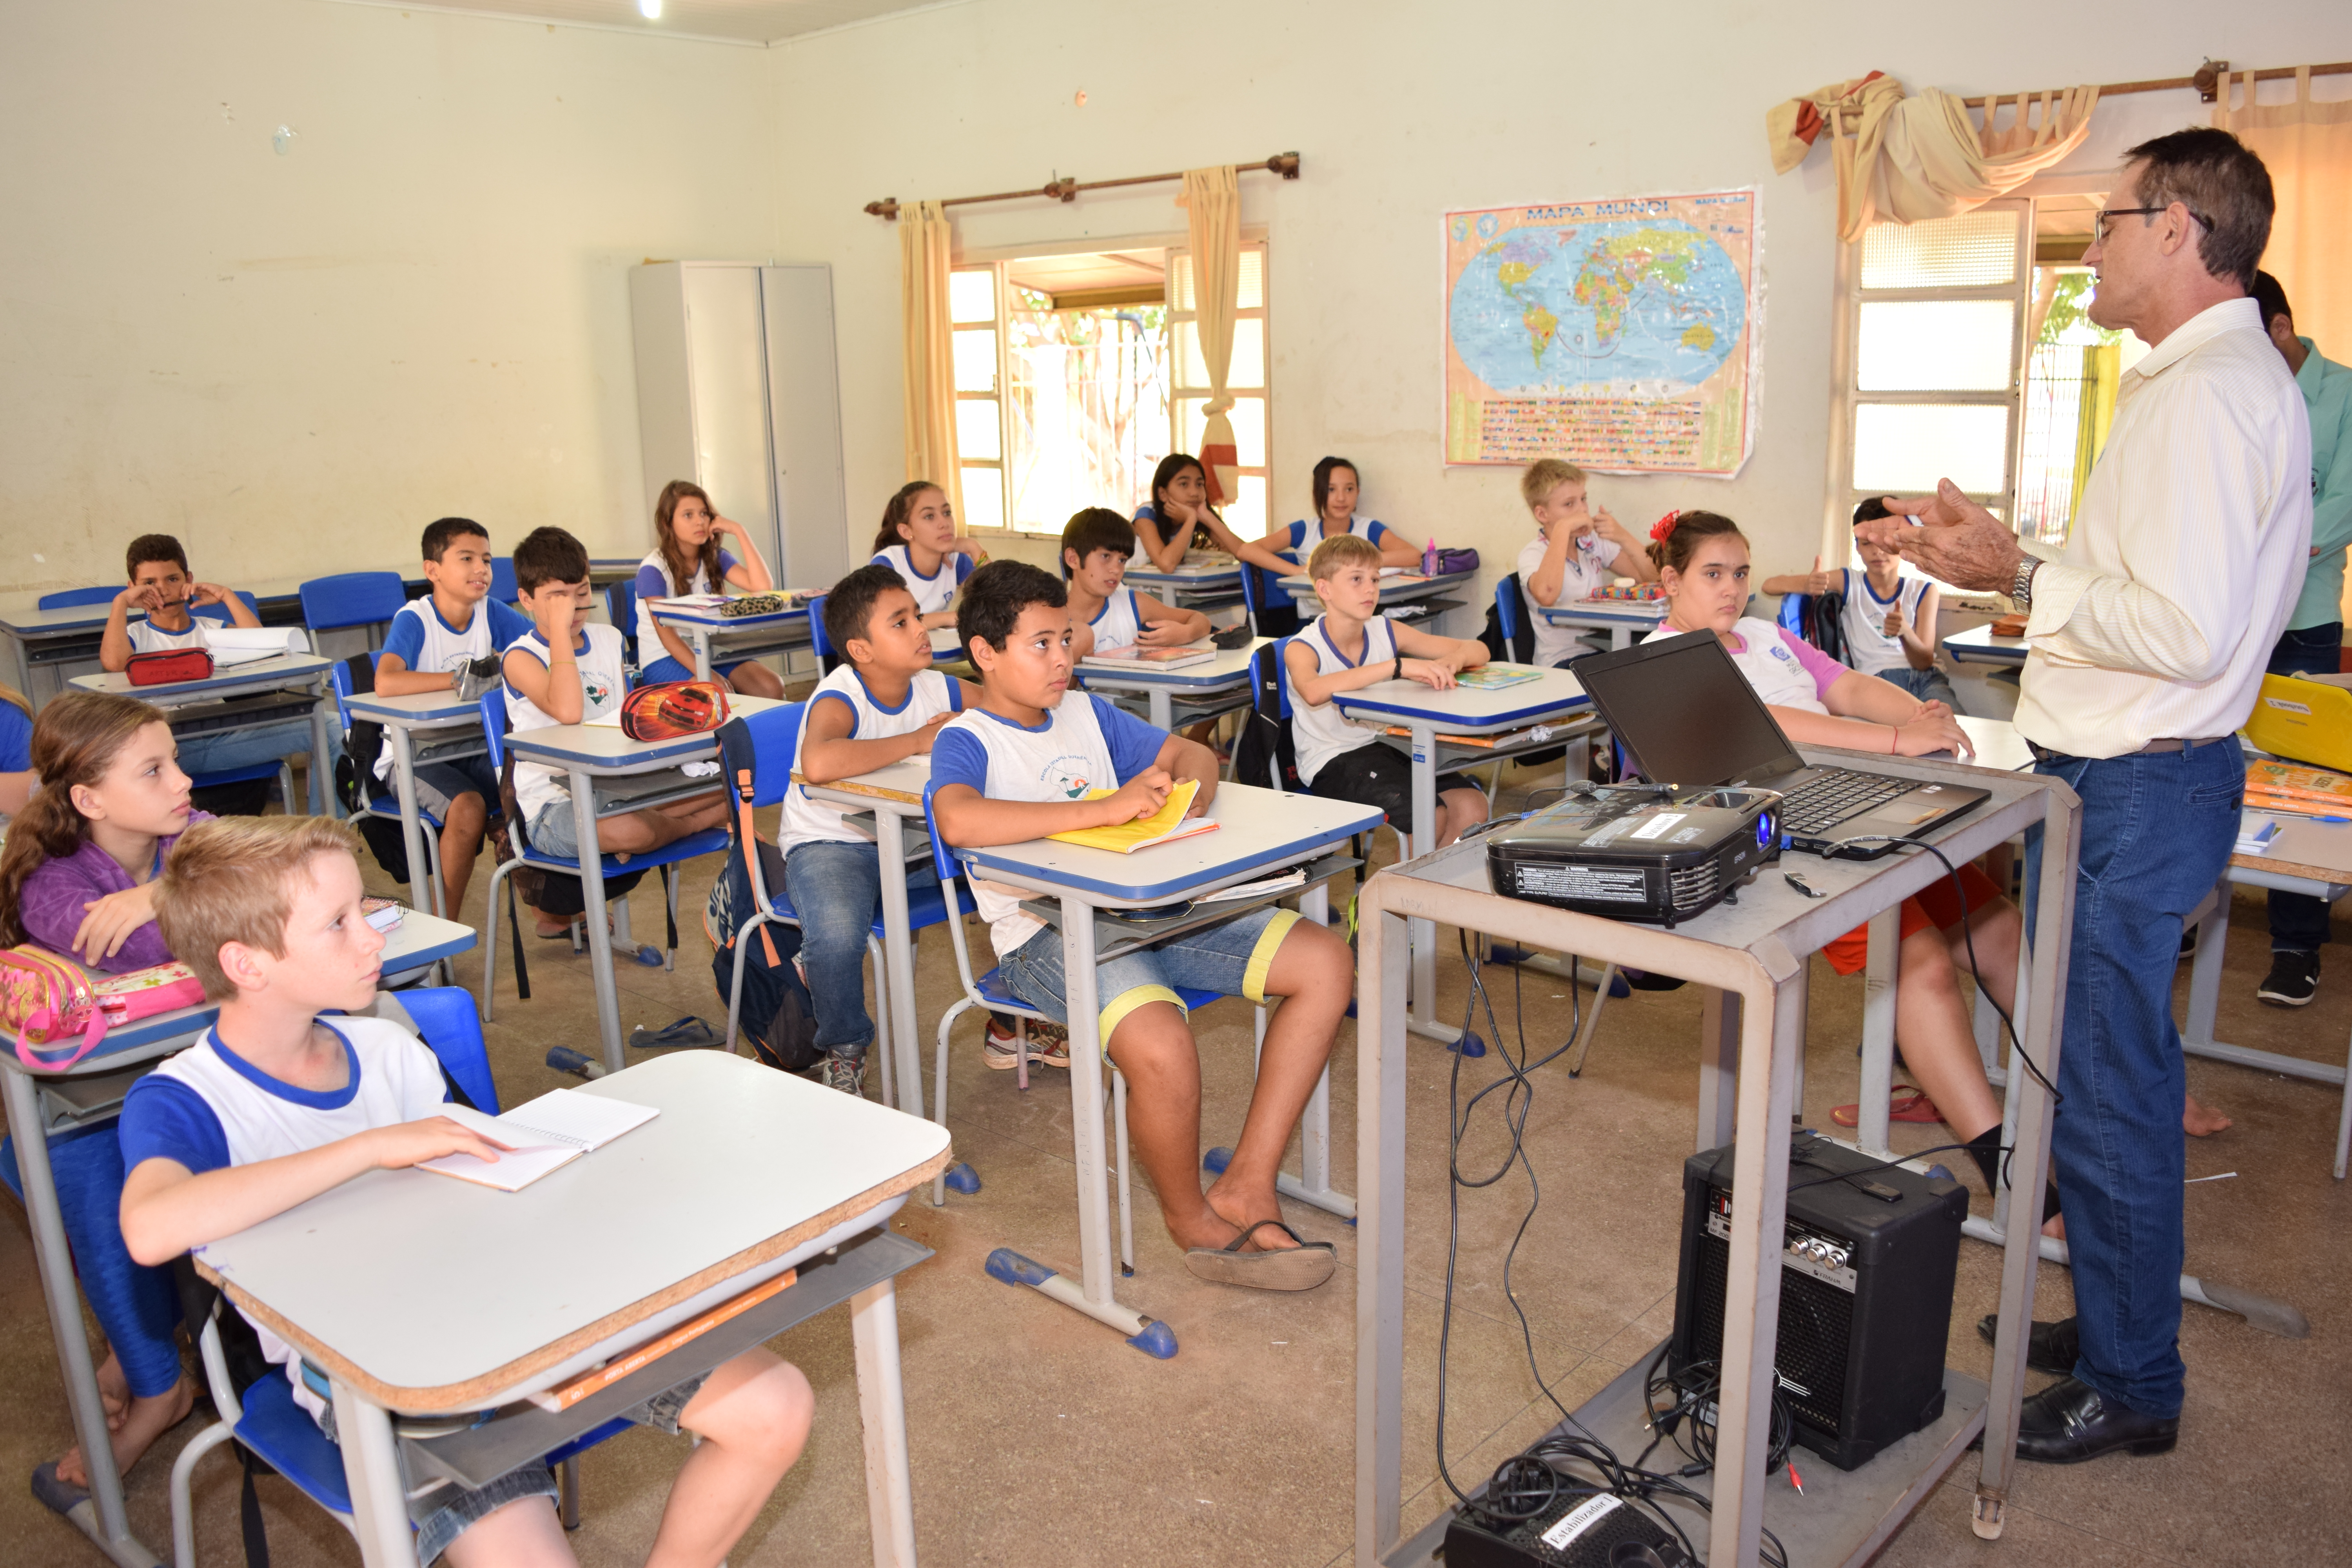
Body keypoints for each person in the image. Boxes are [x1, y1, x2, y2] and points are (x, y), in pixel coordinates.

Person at [1859, 128, 2309, 1465]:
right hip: (2119, 776)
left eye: (2108, 222)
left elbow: (2178, 629)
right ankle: (2118, 1322)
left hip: (2140, 784)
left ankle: (2135, 1381)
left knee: (2111, 1091)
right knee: (2089, 1075)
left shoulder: (2214, 395)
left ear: (2176, 228)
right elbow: (2159, 594)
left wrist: (2019, 575)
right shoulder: (2198, 381)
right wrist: (2018, 560)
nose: (2093, 247)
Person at [116, 815, 813, 1567]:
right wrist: (372, 1149)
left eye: (367, 912)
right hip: (400, 1392)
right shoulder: (184, 1100)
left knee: (776, 1408)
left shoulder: (387, 1047)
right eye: (339, 924)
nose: (374, 939)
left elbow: (496, 1175)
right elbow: (151, 1229)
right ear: (247, 965)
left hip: (520, 1312)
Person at [930, 562, 1355, 1288]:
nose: (1063, 658)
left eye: (1066, 639)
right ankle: (1190, 1219)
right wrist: (1103, 808)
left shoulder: (1087, 713)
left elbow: (1189, 752)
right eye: (1041, 644)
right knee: (1162, 1045)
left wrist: (1184, 796)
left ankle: (1248, 1183)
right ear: (985, 653)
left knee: (1326, 964)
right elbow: (956, 817)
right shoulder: (969, 739)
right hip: (1046, 936)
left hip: (1151, 915)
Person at [1646, 512, 2053, 1221]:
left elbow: (1846, 687)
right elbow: (1768, 724)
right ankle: (2014, 1180)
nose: (1733, 589)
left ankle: (2098, 1097)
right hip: (1776, 848)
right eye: (1713, 575)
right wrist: (1896, 742)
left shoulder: (1768, 637)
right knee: (1920, 960)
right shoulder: (1666, 660)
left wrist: (1922, 714)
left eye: (1741, 573)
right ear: (1670, 581)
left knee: (1997, 929)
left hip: (1847, 809)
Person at [0, 692, 199, 1512]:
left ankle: (145, 1347)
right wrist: (183, 895)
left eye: (175, 759)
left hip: (198, 1071)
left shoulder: (185, 831)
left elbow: (272, 875)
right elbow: (175, 939)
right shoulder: (51, 878)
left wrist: (157, 890)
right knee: (73, 1173)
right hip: (97, 1093)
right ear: (88, 799)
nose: (183, 780)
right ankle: (157, 1378)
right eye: (154, 770)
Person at [782, 565, 995, 1096]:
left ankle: (1020, 1024)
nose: (920, 628)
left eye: (917, 616)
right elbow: (821, 762)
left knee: (1022, 881)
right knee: (836, 937)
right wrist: (918, 741)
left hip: (914, 846)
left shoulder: (935, 685)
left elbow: (1004, 708)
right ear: (861, 650)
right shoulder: (840, 695)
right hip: (834, 842)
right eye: (900, 622)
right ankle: (846, 1046)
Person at [505, 527, 729, 934]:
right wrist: (558, 633)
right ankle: (686, 825)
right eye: (558, 598)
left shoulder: (608, 639)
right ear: (526, 599)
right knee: (630, 829)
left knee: (738, 787)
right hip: (553, 806)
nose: (573, 608)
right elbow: (569, 710)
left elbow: (626, 723)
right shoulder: (520, 657)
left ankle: (658, 823)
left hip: (620, 787)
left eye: (582, 592)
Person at [2247, 271, 2352, 1007]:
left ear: (2282, 329)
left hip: (2305, 619)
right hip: (2233, 618)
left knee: (2303, 790)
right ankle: (2187, 915)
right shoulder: (2241, 390)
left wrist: (2271, 546)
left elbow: (2342, 504)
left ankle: (2295, 947)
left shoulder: (2342, 393)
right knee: (2212, 766)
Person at [371, 516, 535, 914]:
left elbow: (536, 648)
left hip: (473, 746)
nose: (481, 569)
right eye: (467, 558)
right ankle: (443, 929)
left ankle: (550, 912)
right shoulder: (416, 618)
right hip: (414, 754)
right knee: (468, 808)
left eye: (487, 559)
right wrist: (461, 678)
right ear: (433, 570)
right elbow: (386, 682)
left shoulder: (491, 612)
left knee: (535, 784)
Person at [1285, 535, 1492, 850]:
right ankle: (1392, 897)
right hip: (1332, 759)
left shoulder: (1385, 630)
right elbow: (1313, 692)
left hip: (1387, 743)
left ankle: (1426, 890)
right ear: (1324, 589)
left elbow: (1479, 649)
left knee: (1473, 806)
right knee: (1429, 816)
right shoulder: (1303, 647)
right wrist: (1396, 667)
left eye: (1375, 579)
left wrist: (1455, 659)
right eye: (1356, 579)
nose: (1370, 589)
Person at [98, 533, 339, 801]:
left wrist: (227, 596)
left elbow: (263, 645)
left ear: (189, 580)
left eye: (173, 580)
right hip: (170, 753)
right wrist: (120, 603)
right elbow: (114, 662)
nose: (163, 590)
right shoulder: (136, 635)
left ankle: (328, 832)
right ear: (134, 588)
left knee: (330, 727)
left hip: (222, 740)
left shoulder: (211, 630)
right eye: (149, 583)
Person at [1764, 499, 1959, 708]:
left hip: (1928, 680)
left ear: (1902, 543)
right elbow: (1770, 585)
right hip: (1877, 682)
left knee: (1953, 722)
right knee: (1913, 728)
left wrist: (1905, 633)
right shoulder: (1850, 582)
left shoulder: (1924, 591)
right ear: (1857, 547)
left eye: (1885, 543)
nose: (1877, 552)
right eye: (1867, 543)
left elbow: (1924, 662)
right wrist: (1806, 584)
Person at [634, 481, 787, 699]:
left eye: (704, 513)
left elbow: (763, 587)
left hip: (708, 649)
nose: (700, 521)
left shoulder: (714, 556)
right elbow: (669, 639)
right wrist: (708, 674)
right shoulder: (653, 569)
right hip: (663, 657)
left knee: (772, 686)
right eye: (689, 515)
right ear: (668, 523)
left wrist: (739, 531)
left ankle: (753, 732)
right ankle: (731, 733)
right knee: (714, 692)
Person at [1517, 457, 1659, 668]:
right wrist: (1562, 531)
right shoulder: (1533, 554)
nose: (1582, 510)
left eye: (1584, 499)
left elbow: (1652, 577)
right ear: (1542, 514)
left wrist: (1622, 536)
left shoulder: (1592, 543)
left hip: (1600, 650)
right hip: (1561, 660)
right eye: (1569, 504)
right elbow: (1547, 594)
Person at [1061, 508, 1210, 659]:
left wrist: (1187, 633)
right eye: (1106, 556)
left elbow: (1200, 620)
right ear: (1073, 559)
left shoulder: (1134, 605)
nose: (1116, 569)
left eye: (1122, 560)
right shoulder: (1051, 616)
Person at [870, 480, 985, 631]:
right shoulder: (888, 564)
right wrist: (953, 617)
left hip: (939, 649)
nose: (944, 523)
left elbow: (999, 600)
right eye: (929, 516)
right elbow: (897, 623)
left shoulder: (955, 560)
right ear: (906, 532)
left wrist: (974, 547)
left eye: (947, 513)